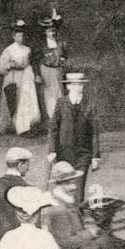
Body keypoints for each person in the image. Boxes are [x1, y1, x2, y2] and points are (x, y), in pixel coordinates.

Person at [47, 73, 100, 204]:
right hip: (64, 153)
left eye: (81, 84)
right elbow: (53, 128)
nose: (78, 87)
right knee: (64, 186)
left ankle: (78, 219)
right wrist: (52, 150)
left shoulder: (89, 104)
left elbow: (94, 131)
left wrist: (95, 156)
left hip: (83, 154)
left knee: (78, 187)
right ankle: (65, 216)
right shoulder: (61, 103)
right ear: (68, 86)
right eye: (75, 84)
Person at [0, 20, 42, 135]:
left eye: (22, 35)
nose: (21, 38)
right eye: (18, 36)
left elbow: (29, 64)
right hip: (13, 77)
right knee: (13, 99)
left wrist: (33, 75)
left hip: (25, 77)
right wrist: (9, 65)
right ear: (14, 37)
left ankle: (24, 126)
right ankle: (11, 126)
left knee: (24, 100)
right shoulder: (9, 50)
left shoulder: (27, 49)